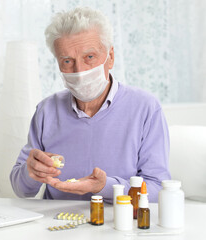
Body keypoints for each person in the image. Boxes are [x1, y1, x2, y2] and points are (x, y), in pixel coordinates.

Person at [10, 6, 171, 203]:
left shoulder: (146, 108)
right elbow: (21, 190)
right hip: (58, 225)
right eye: (67, 61)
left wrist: (105, 187)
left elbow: (157, 189)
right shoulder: (46, 111)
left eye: (90, 57)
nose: (79, 70)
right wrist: (31, 172)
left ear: (110, 57)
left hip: (117, 223)